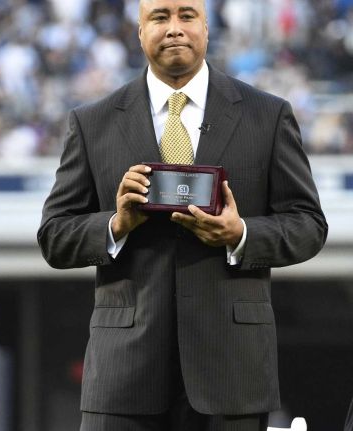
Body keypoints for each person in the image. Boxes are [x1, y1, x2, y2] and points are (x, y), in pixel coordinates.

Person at [37, 1, 327, 430]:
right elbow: (54, 236)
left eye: (187, 15)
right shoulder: (91, 122)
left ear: (207, 28)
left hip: (232, 375)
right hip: (124, 377)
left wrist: (240, 233)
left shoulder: (267, 115)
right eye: (159, 17)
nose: (174, 28)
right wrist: (116, 225)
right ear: (138, 32)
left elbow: (309, 224)